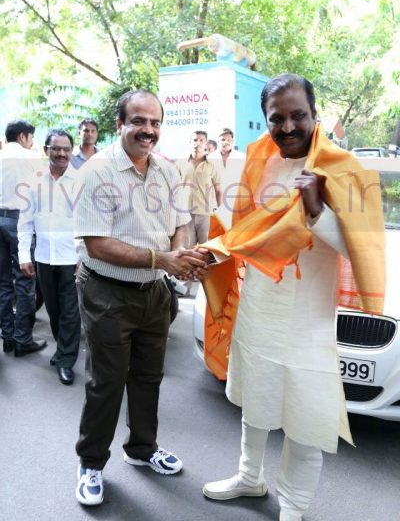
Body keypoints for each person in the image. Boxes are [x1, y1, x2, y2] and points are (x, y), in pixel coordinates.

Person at [201, 74, 385, 520]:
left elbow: (362, 250)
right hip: (260, 305)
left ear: (315, 114)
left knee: (307, 418)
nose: (287, 126)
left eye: (297, 115)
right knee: (255, 401)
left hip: (308, 321)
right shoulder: (258, 163)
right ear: (264, 121)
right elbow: (244, 230)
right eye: (276, 118)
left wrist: (318, 209)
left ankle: (294, 505)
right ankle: (249, 477)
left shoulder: (346, 171)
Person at [73, 89, 208, 506]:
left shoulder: (167, 172)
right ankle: (91, 464)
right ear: (121, 125)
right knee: (106, 384)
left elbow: (181, 223)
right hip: (107, 293)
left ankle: (143, 450)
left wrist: (180, 253)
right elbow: (97, 245)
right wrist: (164, 258)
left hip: (155, 293)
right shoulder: (97, 172)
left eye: (154, 123)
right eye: (139, 122)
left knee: (149, 378)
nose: (147, 130)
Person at [18, 129, 81, 385]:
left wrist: (83, 256)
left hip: (71, 259)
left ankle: (66, 360)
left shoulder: (80, 182)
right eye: (56, 148)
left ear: (71, 150)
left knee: (69, 312)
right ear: (46, 150)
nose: (62, 153)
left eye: (66, 148)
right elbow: (25, 222)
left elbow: (87, 222)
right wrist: (24, 255)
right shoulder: (34, 182)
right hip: (44, 257)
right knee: (54, 310)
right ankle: (62, 349)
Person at [0, 119, 46, 356]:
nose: (32, 142)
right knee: (25, 281)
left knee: (3, 283)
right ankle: (22, 340)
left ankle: (7, 337)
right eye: (30, 137)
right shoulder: (31, 158)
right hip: (20, 222)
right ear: (22, 136)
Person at [175, 130, 222, 245]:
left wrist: (220, 209)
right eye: (195, 140)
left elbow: (218, 189)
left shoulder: (212, 165)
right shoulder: (180, 163)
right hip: (186, 211)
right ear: (190, 142)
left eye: (201, 140)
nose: (198, 143)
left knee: (206, 246)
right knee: (189, 246)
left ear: (206, 143)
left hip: (205, 211)